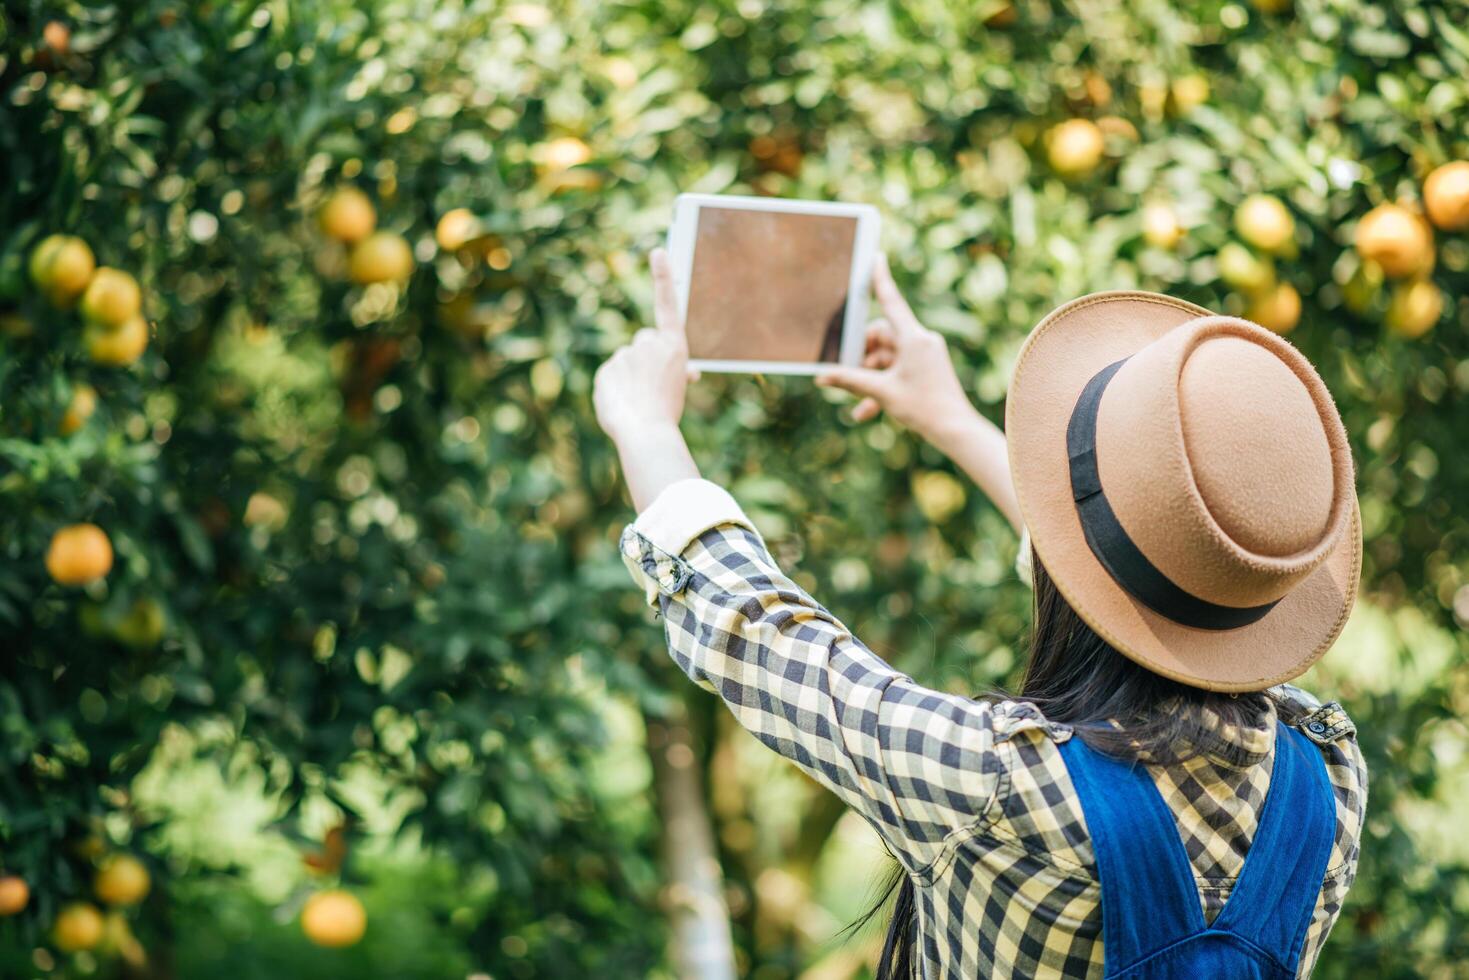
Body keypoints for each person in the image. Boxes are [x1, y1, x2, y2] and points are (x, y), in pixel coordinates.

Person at [593, 249, 1367, 979]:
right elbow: (1126, 586)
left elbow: (757, 635)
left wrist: (645, 426)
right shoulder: (1326, 781)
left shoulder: (996, 788)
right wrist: (948, 418)